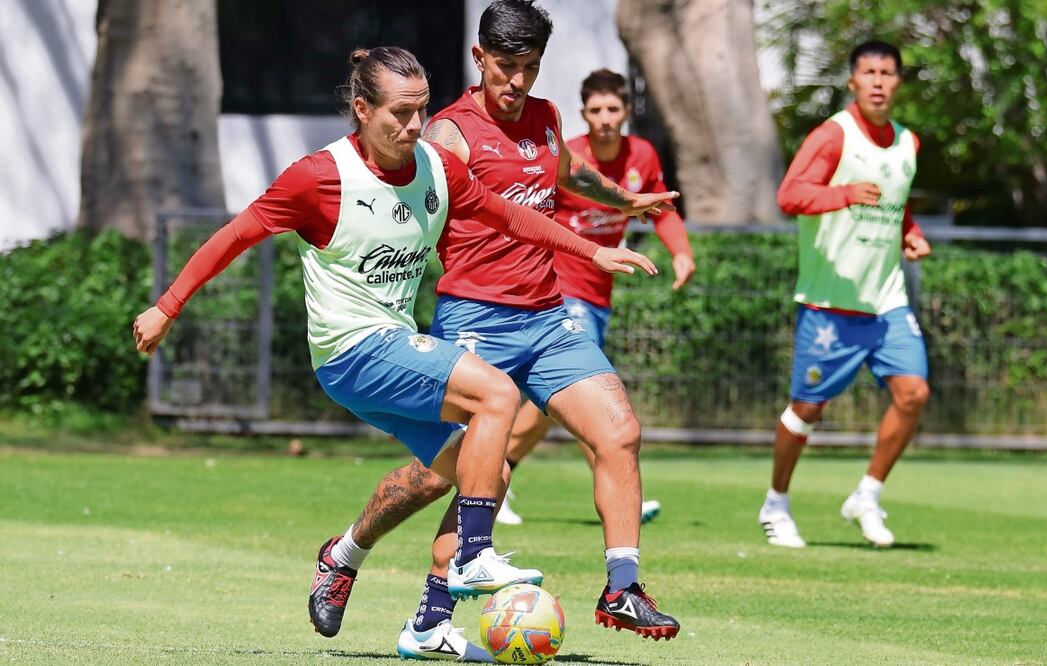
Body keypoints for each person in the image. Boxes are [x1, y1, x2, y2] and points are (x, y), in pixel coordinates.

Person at [131, 45, 658, 661]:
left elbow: (506, 216)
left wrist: (591, 252)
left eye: (422, 111)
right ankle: (474, 556)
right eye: (400, 114)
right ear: (361, 108)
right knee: (498, 396)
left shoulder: (435, 167)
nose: (414, 126)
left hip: (395, 345)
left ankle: (364, 571)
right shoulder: (319, 177)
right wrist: (167, 305)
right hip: (351, 350)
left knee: (476, 467)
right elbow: (235, 234)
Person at [309, 1, 682, 645]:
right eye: (505, 67)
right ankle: (346, 555)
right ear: (479, 59)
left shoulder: (545, 118)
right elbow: (402, 193)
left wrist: (626, 199)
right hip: (474, 318)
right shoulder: (450, 133)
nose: (516, 82)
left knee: (619, 431)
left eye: (529, 68)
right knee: (456, 473)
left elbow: (567, 173)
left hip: (546, 317)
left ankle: (621, 587)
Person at [495, 68, 695, 527]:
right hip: (559, 289)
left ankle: (497, 474)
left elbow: (659, 210)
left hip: (599, 295)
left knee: (561, 398)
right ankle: (497, 478)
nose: (605, 118)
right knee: (572, 389)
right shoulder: (571, 158)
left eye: (614, 109)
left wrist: (682, 253)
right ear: (584, 114)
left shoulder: (641, 155)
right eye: (596, 110)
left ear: (625, 112)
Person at [758, 40, 932, 550]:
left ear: (898, 82)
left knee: (914, 393)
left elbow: (895, 205)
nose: (878, 81)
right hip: (830, 304)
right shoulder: (835, 134)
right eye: (869, 72)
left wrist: (910, 234)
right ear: (853, 81)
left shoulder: (908, 143)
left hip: (886, 300)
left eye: (888, 73)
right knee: (806, 410)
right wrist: (842, 194)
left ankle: (868, 494)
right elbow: (790, 194)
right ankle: (776, 501)